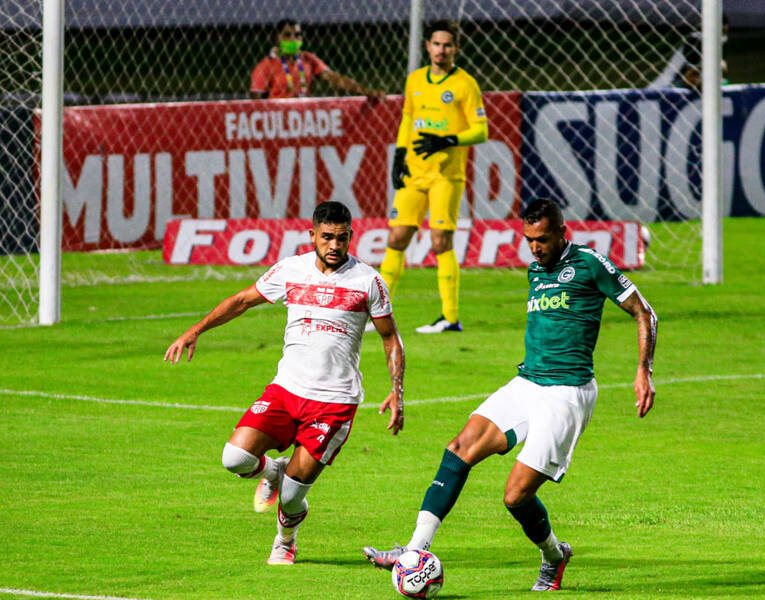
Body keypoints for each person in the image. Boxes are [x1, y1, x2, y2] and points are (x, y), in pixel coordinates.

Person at [362, 198, 658, 591]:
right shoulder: (535, 269)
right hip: (527, 383)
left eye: (543, 239)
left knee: (515, 497)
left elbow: (645, 312)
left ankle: (554, 555)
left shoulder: (589, 264)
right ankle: (414, 549)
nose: (535, 248)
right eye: (529, 239)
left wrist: (643, 370)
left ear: (561, 232)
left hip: (566, 395)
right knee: (458, 449)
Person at [164, 201, 404, 565]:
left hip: (334, 401)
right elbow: (242, 300)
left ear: (350, 237)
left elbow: (390, 338)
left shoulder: (368, 281)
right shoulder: (291, 270)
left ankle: (285, 541)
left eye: (341, 238)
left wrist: (396, 391)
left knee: (292, 498)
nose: (334, 246)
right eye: (326, 237)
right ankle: (274, 469)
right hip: (286, 390)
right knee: (235, 458)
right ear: (313, 236)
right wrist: (196, 330)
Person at [378, 20, 488, 334]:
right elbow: (408, 117)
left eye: (448, 45)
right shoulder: (415, 79)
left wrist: (448, 140)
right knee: (397, 238)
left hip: (445, 176)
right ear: (428, 46)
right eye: (437, 44)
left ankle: (450, 318)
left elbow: (481, 130)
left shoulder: (465, 85)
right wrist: (399, 155)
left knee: (440, 241)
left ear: (456, 49)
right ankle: (380, 312)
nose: (441, 50)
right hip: (414, 173)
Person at [250, 19, 385, 101]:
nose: (293, 39)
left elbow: (335, 79)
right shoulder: (266, 65)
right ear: (277, 38)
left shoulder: (308, 59)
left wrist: (366, 92)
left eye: (297, 35)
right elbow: (256, 100)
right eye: (287, 35)